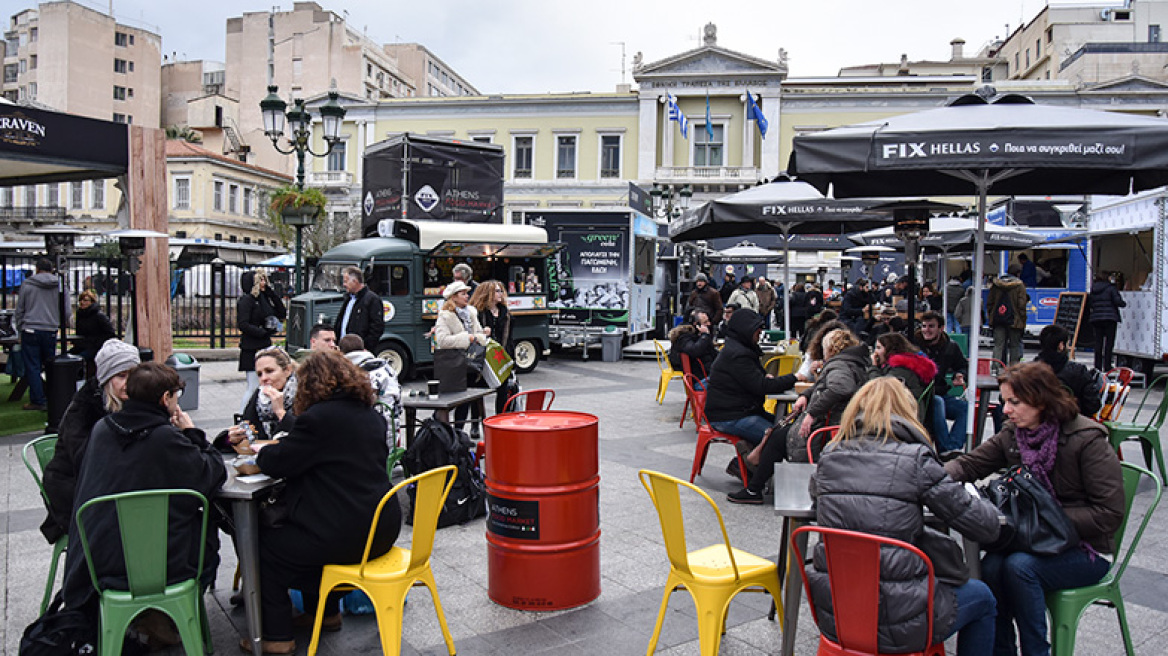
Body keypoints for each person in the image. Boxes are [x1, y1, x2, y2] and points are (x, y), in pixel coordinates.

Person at [807, 377, 1002, 656]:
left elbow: (821, 502)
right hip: (901, 620)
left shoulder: (830, 455)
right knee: (982, 597)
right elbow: (982, 526)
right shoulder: (916, 458)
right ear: (908, 412)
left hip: (838, 616)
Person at [944, 362, 1125, 656]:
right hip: (1033, 540)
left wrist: (1044, 519)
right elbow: (970, 464)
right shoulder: (1014, 433)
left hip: (1087, 548)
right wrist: (927, 478)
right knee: (990, 566)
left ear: (1041, 400)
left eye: (1014, 402)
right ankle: (1002, 650)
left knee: (1019, 567)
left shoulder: (1086, 439)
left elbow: (1109, 514)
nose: (1005, 409)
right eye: (1004, 401)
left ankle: (1036, 651)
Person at [243, 350, 401, 653]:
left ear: (310, 385)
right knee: (312, 530)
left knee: (265, 545)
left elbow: (279, 463)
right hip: (381, 529)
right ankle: (325, 614)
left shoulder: (318, 419)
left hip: (346, 536)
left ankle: (276, 637)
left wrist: (259, 452)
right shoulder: (370, 415)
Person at [61, 363, 226, 620]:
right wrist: (192, 432)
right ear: (165, 398)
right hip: (152, 567)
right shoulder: (163, 439)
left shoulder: (103, 428)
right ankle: (165, 620)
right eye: (176, 395)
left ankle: (150, 621)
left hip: (95, 560)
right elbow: (211, 474)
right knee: (207, 533)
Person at [728, 327, 868, 503]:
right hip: (835, 424)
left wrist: (811, 412)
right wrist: (806, 395)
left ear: (830, 349)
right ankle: (754, 480)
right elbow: (826, 386)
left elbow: (839, 388)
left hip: (826, 428)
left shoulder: (840, 365)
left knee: (778, 438)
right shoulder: (852, 362)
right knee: (778, 434)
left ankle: (754, 485)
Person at [39, 339, 140, 544]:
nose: (129, 383)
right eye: (121, 376)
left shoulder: (137, 402)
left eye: (134, 375)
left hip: (114, 489)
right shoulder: (83, 409)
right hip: (75, 494)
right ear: (105, 378)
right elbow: (88, 462)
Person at [704, 309, 797, 448]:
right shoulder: (738, 354)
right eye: (757, 330)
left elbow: (758, 380)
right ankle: (750, 463)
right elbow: (762, 386)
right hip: (729, 416)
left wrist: (764, 377)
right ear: (746, 329)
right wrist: (796, 377)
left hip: (738, 411)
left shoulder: (740, 349)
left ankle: (754, 461)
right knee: (780, 439)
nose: (760, 334)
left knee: (786, 430)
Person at [434, 280, 490, 436]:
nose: (467, 296)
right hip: (453, 364)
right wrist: (468, 338)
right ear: (453, 298)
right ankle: (439, 432)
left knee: (467, 400)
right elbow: (443, 341)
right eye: (463, 293)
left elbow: (480, 334)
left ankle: (458, 433)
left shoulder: (472, 313)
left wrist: (477, 337)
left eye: (467, 293)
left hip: (472, 362)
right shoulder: (445, 316)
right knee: (450, 401)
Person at [217, 346, 299, 451]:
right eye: (259, 374)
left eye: (269, 371)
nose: (264, 378)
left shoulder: (306, 394)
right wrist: (231, 439)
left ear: (287, 370)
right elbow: (248, 426)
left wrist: (280, 412)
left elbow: (310, 437)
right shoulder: (259, 397)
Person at [913, 311, 969, 453]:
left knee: (965, 408)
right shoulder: (913, 345)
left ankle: (953, 447)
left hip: (940, 392)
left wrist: (960, 374)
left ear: (941, 328)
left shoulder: (951, 346)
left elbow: (963, 365)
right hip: (919, 395)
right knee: (938, 402)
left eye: (931, 326)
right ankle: (945, 449)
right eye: (924, 326)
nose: (926, 330)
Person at [15, 257, 66, 411]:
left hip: (30, 328)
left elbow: (20, 309)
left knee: (33, 366)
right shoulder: (60, 284)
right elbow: (67, 310)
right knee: (51, 365)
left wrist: (19, 328)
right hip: (50, 329)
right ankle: (53, 397)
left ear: (37, 269)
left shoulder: (27, 284)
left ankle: (38, 400)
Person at [237, 270, 286, 413]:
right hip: (251, 346)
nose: (264, 283)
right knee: (253, 386)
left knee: (266, 385)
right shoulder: (247, 300)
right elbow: (243, 324)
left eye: (265, 279)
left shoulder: (264, 298)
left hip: (265, 344)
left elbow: (281, 312)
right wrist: (261, 331)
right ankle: (242, 414)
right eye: (261, 280)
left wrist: (271, 293)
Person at [340, 334, 402, 448]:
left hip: (368, 436)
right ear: (364, 349)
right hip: (393, 431)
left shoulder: (350, 373)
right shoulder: (386, 367)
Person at [470, 279, 519, 413]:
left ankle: (500, 420)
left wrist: (512, 361)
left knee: (503, 390)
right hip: (483, 357)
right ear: (488, 293)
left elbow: (510, 339)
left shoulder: (506, 313)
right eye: (497, 291)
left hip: (500, 356)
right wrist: (481, 332)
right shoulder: (478, 313)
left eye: (501, 290)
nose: (501, 294)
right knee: (476, 392)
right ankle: (476, 423)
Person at [1034, 324, 1103, 418]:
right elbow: (1093, 405)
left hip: (1037, 422)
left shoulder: (1028, 371)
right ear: (1061, 345)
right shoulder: (1078, 371)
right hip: (1070, 423)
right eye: (1068, 344)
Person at [870, 332, 937, 410]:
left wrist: (873, 367)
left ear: (890, 349)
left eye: (878, 348)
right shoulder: (898, 365)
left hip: (905, 413)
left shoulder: (901, 369)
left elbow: (881, 389)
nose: (875, 352)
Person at [333, 266, 385, 354]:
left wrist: (365, 347)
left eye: (346, 281)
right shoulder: (348, 299)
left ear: (355, 281)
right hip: (343, 350)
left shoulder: (372, 300)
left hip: (359, 351)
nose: (344, 285)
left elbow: (377, 327)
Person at [986, 269, 1029, 367]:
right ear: (1017, 274)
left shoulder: (996, 285)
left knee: (998, 345)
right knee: (1014, 346)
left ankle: (995, 368)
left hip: (998, 320)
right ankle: (1013, 368)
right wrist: (1022, 320)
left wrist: (992, 316)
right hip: (1015, 320)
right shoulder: (1019, 286)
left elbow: (989, 303)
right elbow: (1021, 305)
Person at [1087, 271, 1126, 371]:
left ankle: (1097, 366)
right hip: (1110, 318)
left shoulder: (1094, 289)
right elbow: (1117, 301)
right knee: (1109, 343)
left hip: (1096, 318)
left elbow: (1090, 303)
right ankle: (1107, 365)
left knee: (1098, 343)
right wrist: (1123, 303)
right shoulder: (1111, 288)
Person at [71, 289, 115, 366]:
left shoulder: (99, 316)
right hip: (83, 345)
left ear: (92, 302)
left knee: (79, 359)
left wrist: (95, 342)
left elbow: (110, 333)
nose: (82, 302)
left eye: (85, 300)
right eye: (81, 300)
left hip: (96, 347)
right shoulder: (80, 314)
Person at [668, 310, 716, 378]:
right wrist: (705, 335)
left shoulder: (698, 336)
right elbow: (694, 350)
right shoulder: (685, 337)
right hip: (700, 378)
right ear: (696, 324)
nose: (709, 324)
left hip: (707, 374)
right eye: (705, 322)